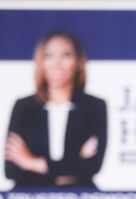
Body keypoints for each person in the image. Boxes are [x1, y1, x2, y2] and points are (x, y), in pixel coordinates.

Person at [4, 31, 107, 188]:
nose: (57, 63)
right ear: (41, 62)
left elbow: (91, 167)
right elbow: (11, 170)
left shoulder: (94, 107)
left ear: (78, 62)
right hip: (30, 197)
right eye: (49, 56)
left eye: (66, 55)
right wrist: (73, 163)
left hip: (77, 197)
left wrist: (31, 162)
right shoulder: (24, 107)